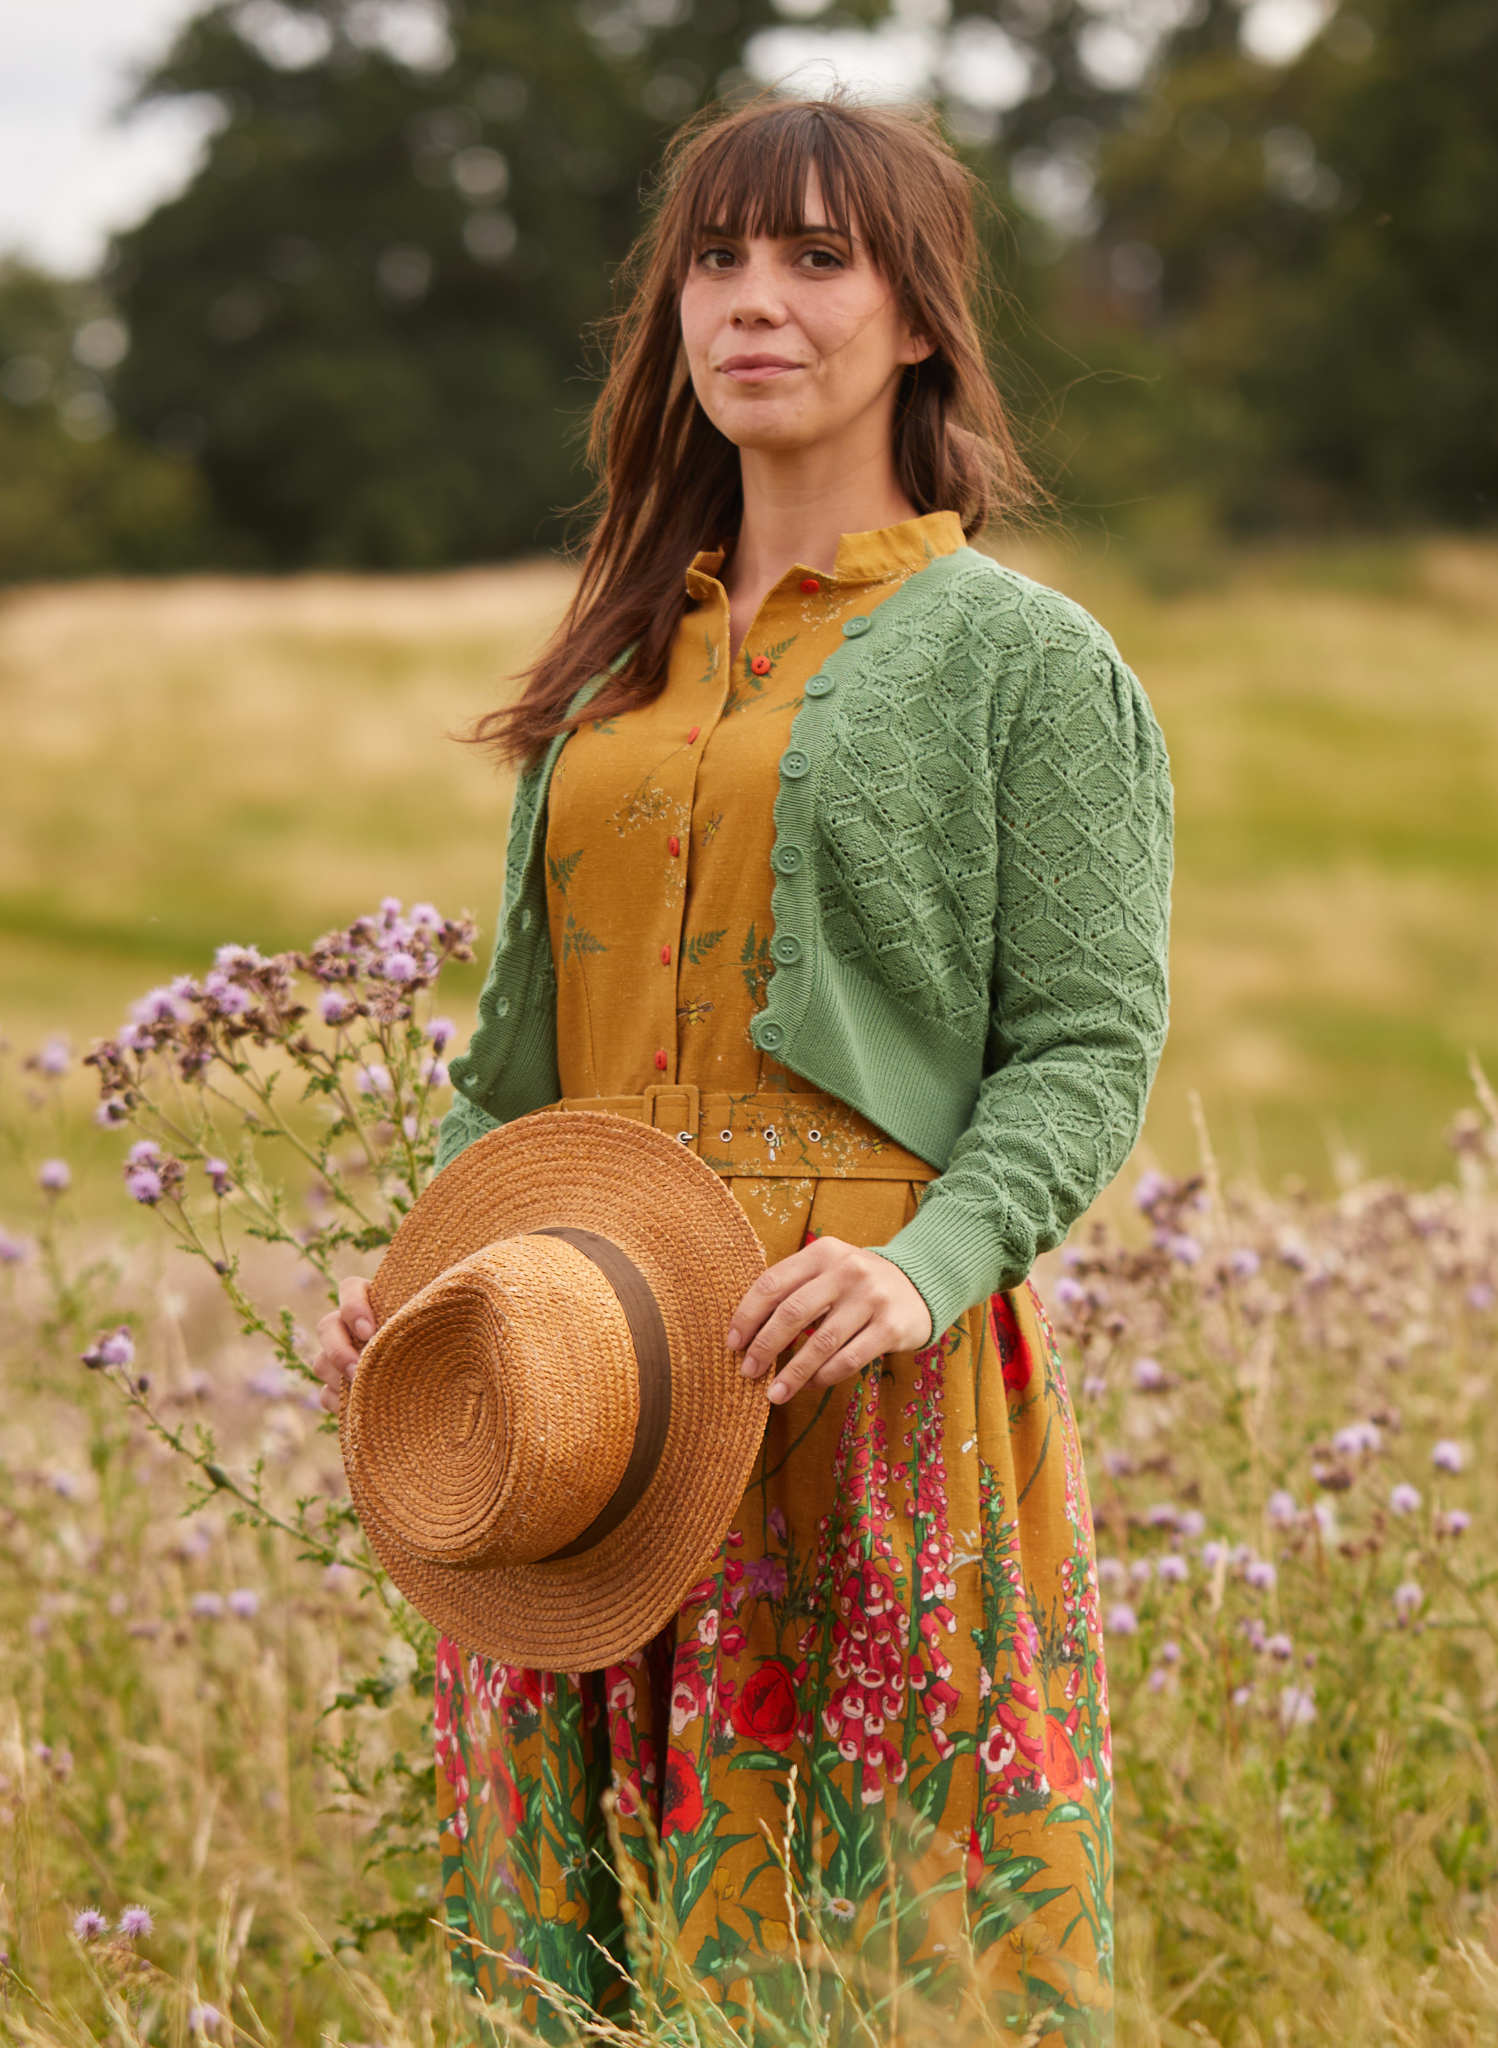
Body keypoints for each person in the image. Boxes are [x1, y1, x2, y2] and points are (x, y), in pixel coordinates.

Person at [314, 84, 1173, 2048]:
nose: (752, 303)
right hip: (584, 1385)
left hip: (850, 1372)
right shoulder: (611, 678)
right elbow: (510, 1074)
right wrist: (412, 1285)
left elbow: (1081, 1045)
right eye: (714, 260)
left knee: (883, 1963)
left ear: (919, 318)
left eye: (812, 256)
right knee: (586, 1969)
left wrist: (914, 1268)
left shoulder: (1022, 664)